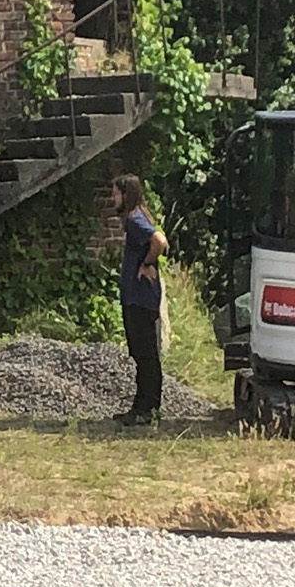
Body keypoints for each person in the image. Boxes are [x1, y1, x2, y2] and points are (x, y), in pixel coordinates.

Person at [111, 173, 168, 426]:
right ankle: (143, 406)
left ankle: (146, 408)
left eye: (115, 193)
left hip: (141, 300)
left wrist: (146, 263)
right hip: (138, 298)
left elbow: (159, 240)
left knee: (146, 356)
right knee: (144, 356)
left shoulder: (135, 220)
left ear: (126, 194)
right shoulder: (136, 218)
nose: (113, 198)